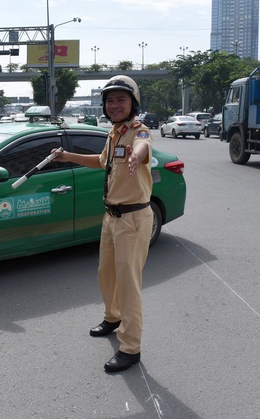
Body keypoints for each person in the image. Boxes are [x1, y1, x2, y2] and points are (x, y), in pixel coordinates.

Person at [53, 75, 153, 373]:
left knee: (128, 283)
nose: (114, 105)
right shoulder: (113, 133)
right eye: (110, 100)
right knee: (106, 273)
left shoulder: (139, 131)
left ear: (133, 103)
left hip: (133, 219)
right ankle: (113, 316)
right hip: (111, 216)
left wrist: (137, 155)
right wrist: (66, 156)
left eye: (121, 100)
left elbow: (143, 146)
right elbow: (102, 161)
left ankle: (131, 347)